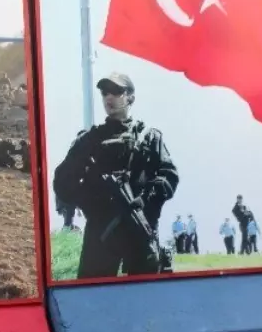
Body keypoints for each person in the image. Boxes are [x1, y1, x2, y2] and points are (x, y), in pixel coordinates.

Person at [51, 72, 178, 278]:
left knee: (144, 298)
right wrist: (92, 202)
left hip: (139, 227)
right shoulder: (89, 139)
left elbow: (169, 176)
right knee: (93, 297)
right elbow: (63, 180)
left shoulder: (149, 137)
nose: (108, 98)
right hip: (102, 231)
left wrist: (145, 200)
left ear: (130, 98)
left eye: (117, 91)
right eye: (104, 93)